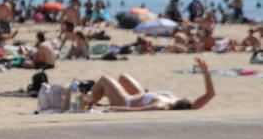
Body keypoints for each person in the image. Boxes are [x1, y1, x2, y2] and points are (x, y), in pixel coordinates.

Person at [83, 57, 215, 111]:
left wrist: (114, 109)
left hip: (126, 101)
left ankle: (86, 105)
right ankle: (99, 95)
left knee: (104, 79)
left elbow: (135, 111)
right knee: (123, 77)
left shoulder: (162, 105)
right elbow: (210, 94)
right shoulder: (189, 107)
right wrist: (206, 71)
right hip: (142, 96)